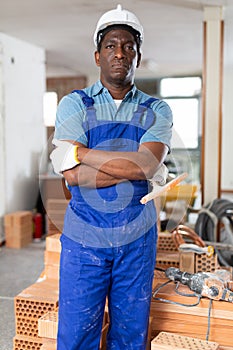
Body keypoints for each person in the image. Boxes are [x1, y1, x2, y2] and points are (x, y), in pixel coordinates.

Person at [50, 4, 173, 349]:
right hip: (84, 238)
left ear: (138, 54)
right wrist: (129, 165)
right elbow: (72, 177)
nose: (120, 53)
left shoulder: (156, 109)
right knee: (76, 334)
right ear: (97, 55)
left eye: (128, 46)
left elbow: (146, 166)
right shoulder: (74, 104)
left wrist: (83, 153)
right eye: (110, 46)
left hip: (137, 239)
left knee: (131, 336)